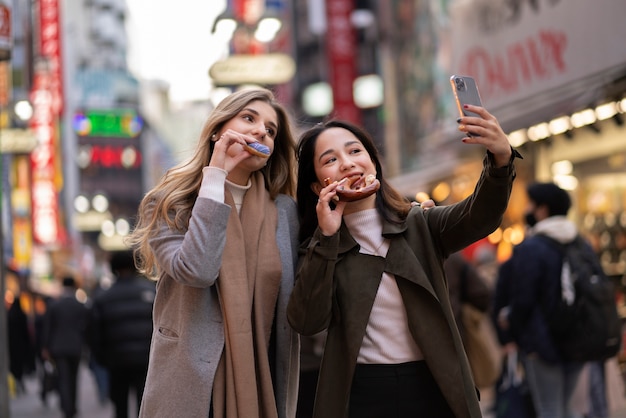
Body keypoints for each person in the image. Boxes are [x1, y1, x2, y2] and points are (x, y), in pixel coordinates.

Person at [287, 103, 519, 418]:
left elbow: (479, 216)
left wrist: (501, 159)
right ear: (318, 186)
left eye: (355, 151)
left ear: (372, 163)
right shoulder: (318, 248)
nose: (347, 163)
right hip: (361, 392)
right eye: (330, 160)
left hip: (432, 383)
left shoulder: (420, 224)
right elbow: (307, 321)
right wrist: (327, 238)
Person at [128, 87, 300, 418]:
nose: (260, 130)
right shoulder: (170, 203)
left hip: (262, 378)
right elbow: (197, 270)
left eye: (270, 129)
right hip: (191, 383)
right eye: (248, 118)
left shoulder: (284, 212)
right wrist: (215, 177)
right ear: (219, 128)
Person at [502, 182, 585, 418]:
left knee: (549, 409)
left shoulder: (531, 248)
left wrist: (512, 325)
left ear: (542, 209)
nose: (527, 209)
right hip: (578, 338)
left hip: (542, 343)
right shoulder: (580, 242)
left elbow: (523, 300)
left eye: (530, 204)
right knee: (567, 407)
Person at [89, 250, 156, 418]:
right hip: (145, 360)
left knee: (120, 406)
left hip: (116, 362)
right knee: (145, 404)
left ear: (113, 268)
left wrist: (102, 358)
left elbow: (95, 333)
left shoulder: (103, 297)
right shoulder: (151, 291)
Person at [42, 276, 90, 418]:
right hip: (76, 347)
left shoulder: (54, 305)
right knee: (74, 378)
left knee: (63, 377)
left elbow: (48, 328)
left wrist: (45, 347)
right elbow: (86, 327)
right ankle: (73, 407)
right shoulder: (80, 305)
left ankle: (66, 407)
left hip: (58, 347)